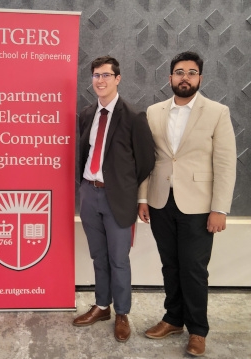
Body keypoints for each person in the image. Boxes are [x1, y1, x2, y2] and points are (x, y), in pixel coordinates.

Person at [138, 51, 236, 357]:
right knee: (171, 265)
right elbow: (146, 159)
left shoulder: (217, 112)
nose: (185, 77)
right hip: (159, 200)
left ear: (200, 78)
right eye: (179, 72)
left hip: (199, 205)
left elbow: (225, 163)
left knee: (193, 268)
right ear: (170, 78)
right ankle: (173, 318)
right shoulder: (153, 112)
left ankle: (197, 330)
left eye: (191, 72)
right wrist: (142, 198)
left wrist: (219, 208)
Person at [73, 56, 155, 342]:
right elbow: (83, 152)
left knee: (119, 259)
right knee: (98, 256)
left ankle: (122, 313)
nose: (100, 80)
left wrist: (125, 187)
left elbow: (145, 161)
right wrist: (85, 185)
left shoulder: (133, 116)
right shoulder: (86, 113)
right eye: (96, 75)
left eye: (106, 75)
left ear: (118, 78)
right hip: (89, 194)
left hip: (117, 198)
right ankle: (102, 306)